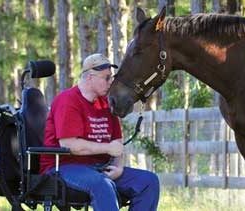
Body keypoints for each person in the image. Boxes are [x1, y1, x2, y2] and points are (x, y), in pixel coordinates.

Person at [40, 53, 160, 210]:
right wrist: (107, 148)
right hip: (63, 167)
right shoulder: (67, 100)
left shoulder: (106, 102)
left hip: (99, 168)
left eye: (111, 78)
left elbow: (116, 142)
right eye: (107, 78)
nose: (111, 82)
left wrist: (118, 167)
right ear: (90, 77)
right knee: (102, 185)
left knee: (149, 181)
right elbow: (70, 145)